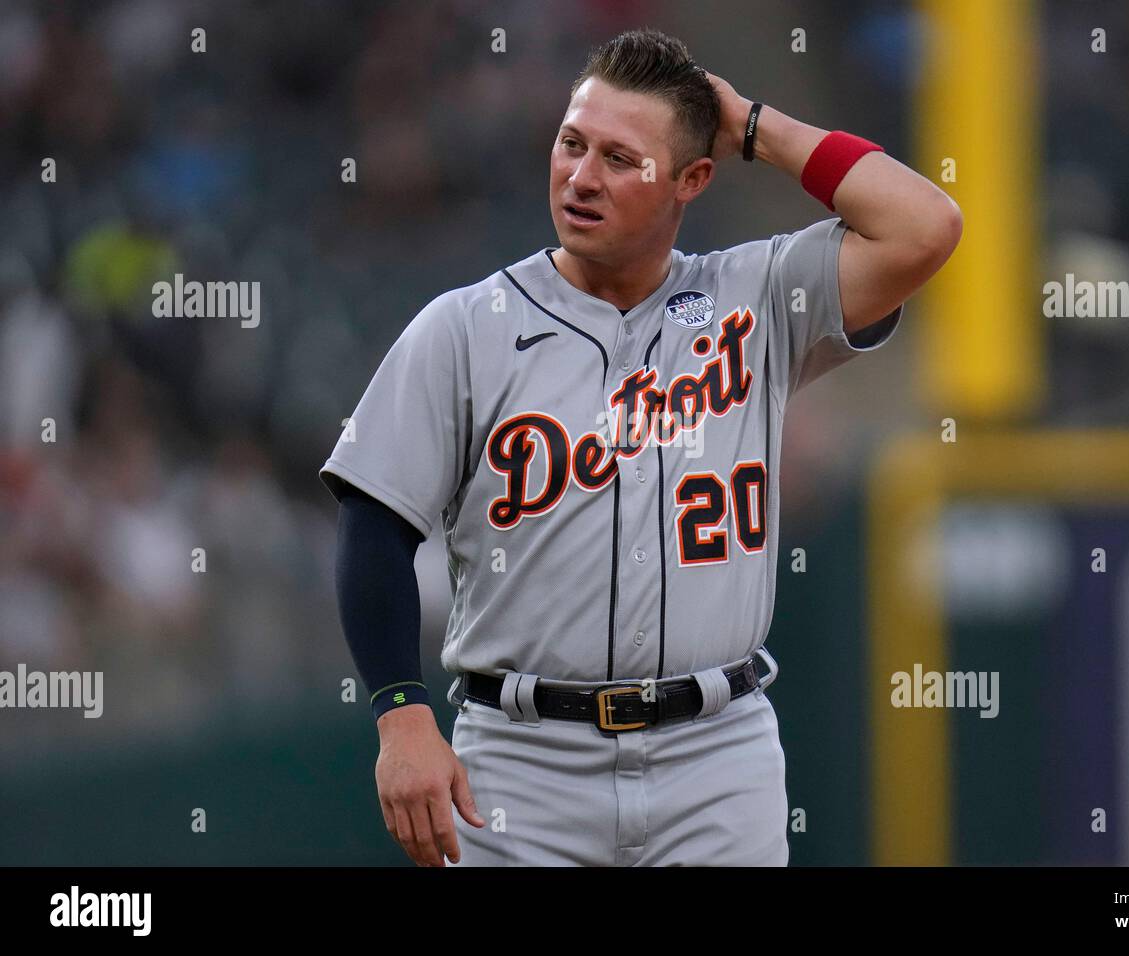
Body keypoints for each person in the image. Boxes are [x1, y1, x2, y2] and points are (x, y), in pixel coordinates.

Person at [321, 28, 961, 867]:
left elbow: (925, 225)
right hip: (522, 761)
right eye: (571, 144)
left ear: (693, 179)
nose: (581, 177)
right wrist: (401, 716)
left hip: (717, 754)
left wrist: (754, 126)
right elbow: (375, 525)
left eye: (621, 158)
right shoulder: (466, 328)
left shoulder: (757, 298)